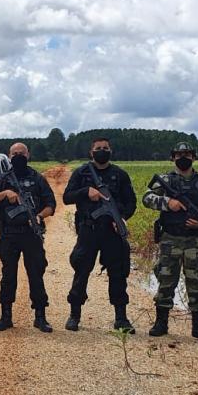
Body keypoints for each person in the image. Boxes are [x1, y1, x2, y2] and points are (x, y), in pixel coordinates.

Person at [142, 142, 198, 342]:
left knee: (197, 282)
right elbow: (146, 198)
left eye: (187, 154)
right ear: (173, 158)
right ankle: (161, 323)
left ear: (194, 157)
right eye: (179, 154)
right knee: (166, 280)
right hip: (170, 239)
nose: (183, 157)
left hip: (195, 241)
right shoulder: (165, 180)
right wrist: (168, 203)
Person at [63, 137, 137, 332]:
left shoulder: (120, 174)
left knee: (118, 273)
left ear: (110, 151)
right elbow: (67, 197)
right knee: (81, 270)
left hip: (112, 232)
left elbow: (131, 203)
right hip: (89, 230)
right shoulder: (82, 173)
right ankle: (74, 315)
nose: (102, 151)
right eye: (98, 148)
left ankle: (121, 318)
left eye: (105, 148)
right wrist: (86, 192)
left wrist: (122, 218)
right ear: (91, 152)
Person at [0, 143, 56, 332]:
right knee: (8, 276)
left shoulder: (37, 178)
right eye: (14, 154)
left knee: (36, 275)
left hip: (31, 234)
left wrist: (39, 217)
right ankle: (5, 316)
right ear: (9, 156)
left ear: (28, 155)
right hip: (9, 235)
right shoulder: (4, 179)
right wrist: (5, 193)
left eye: (21, 153)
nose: (18, 156)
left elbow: (51, 204)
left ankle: (40, 317)